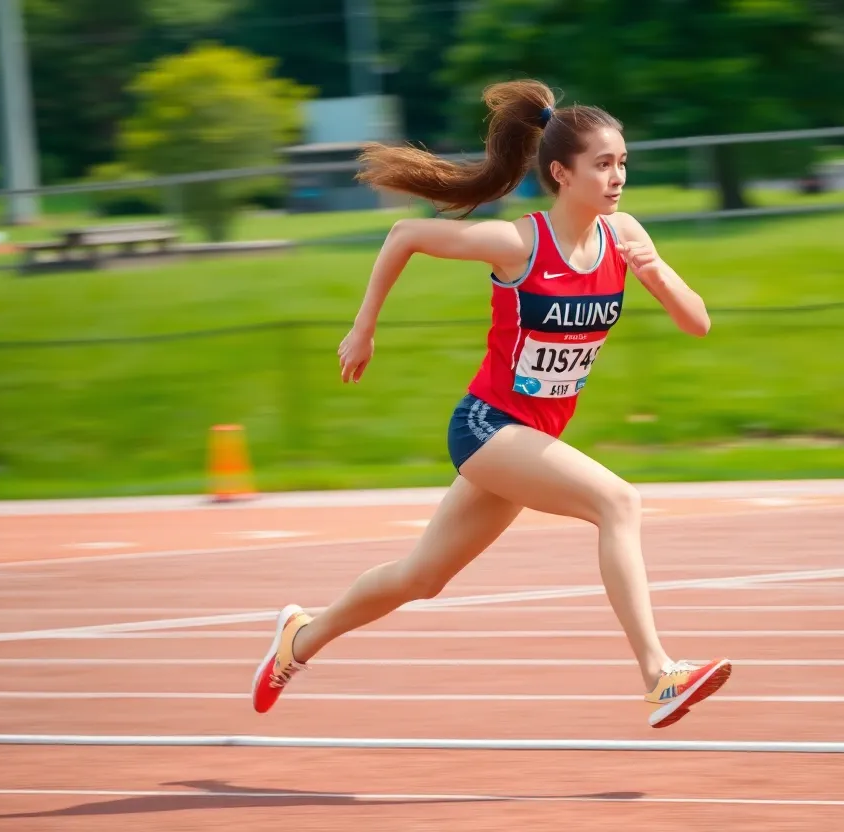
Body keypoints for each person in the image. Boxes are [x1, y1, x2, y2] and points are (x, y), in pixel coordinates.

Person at [250, 79, 731, 729]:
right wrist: (362, 327)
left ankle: (298, 640)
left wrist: (655, 270)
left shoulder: (625, 237)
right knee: (617, 502)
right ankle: (657, 674)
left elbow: (698, 323)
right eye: (603, 164)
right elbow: (403, 235)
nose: (618, 177)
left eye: (623, 163)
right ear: (561, 173)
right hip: (486, 427)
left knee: (422, 578)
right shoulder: (518, 245)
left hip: (529, 437)